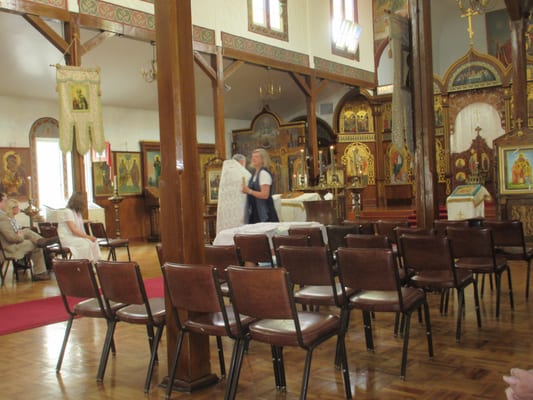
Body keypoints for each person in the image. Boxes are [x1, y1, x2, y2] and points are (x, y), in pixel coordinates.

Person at [0, 193, 49, 280]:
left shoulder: (3, 216)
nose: (6, 203)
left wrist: (19, 234)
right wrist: (20, 237)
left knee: (26, 232)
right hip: (9, 249)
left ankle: (42, 241)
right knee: (36, 245)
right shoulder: (2, 217)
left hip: (7, 246)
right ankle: (39, 273)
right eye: (5, 201)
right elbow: (11, 238)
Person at [57, 192, 101, 263]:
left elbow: (77, 221)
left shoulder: (76, 212)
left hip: (74, 236)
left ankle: (95, 263)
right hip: (68, 237)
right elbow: (73, 230)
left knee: (94, 242)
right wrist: (88, 237)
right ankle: (84, 264)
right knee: (85, 244)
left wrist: (88, 221)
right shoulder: (67, 211)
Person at [242, 148, 279, 224]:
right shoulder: (255, 174)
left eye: (256, 157)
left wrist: (249, 191)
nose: (253, 158)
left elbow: (265, 195)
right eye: (252, 156)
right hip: (256, 211)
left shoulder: (263, 174)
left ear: (263, 159)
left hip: (264, 212)